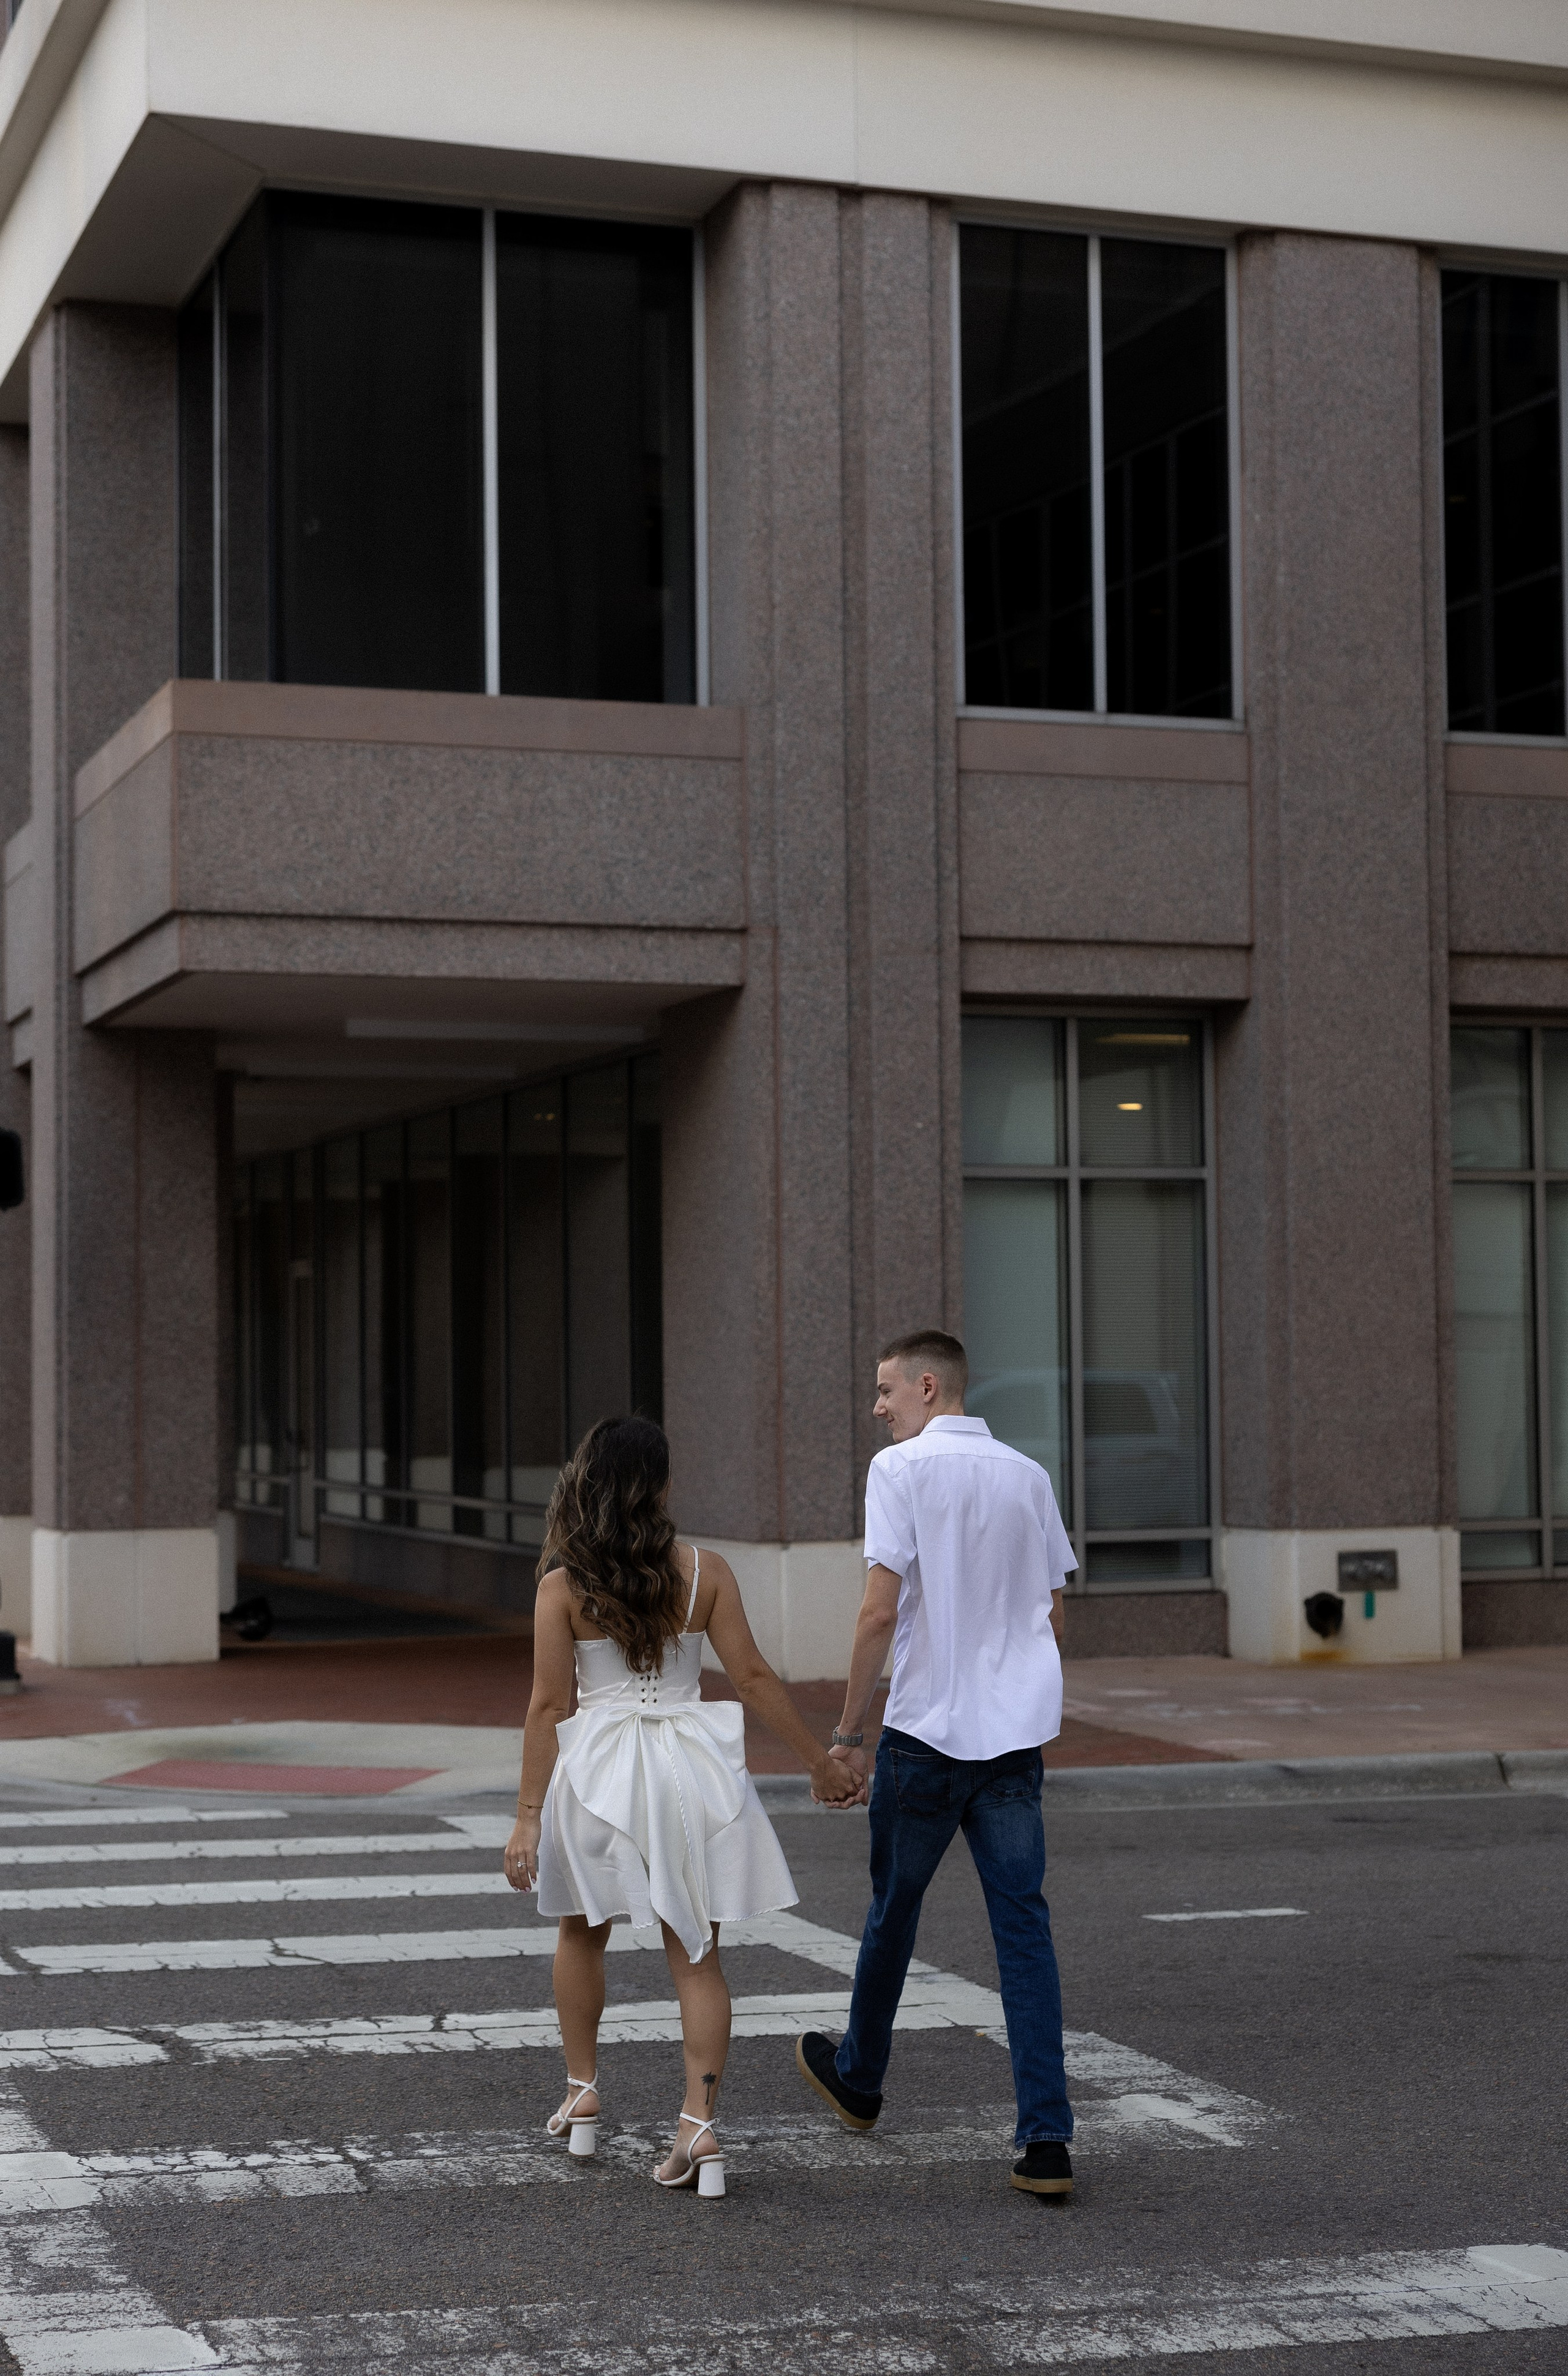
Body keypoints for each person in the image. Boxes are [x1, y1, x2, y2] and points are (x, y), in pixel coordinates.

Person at [503, 1415, 860, 2199]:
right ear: (659, 1485)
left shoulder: (563, 1586)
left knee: (579, 1930)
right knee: (698, 1954)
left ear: (588, 1482)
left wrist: (528, 1815)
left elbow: (545, 1704)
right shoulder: (706, 1572)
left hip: (599, 1772)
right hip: (691, 1770)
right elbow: (756, 1679)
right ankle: (698, 2127)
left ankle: (582, 2090)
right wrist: (819, 1765)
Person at [794, 1329, 1078, 2195]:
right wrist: (1022, 1693)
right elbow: (1053, 1610)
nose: (877, 1407)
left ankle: (861, 2078)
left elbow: (878, 1613)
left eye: (885, 1390)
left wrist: (846, 1734)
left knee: (894, 1911)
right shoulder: (1028, 1476)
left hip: (925, 1734)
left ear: (927, 1385)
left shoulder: (900, 1472)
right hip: (1011, 1742)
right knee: (1023, 1930)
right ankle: (1046, 2140)